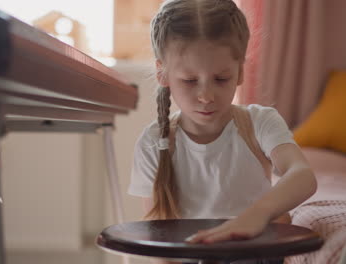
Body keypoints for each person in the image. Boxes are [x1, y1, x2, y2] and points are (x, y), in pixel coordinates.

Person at [128, 0, 317, 263]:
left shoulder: (260, 122)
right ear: (163, 74)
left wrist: (255, 216)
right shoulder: (153, 143)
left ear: (240, 72)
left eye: (221, 79)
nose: (206, 96)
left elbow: (303, 176)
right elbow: (159, 239)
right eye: (190, 81)